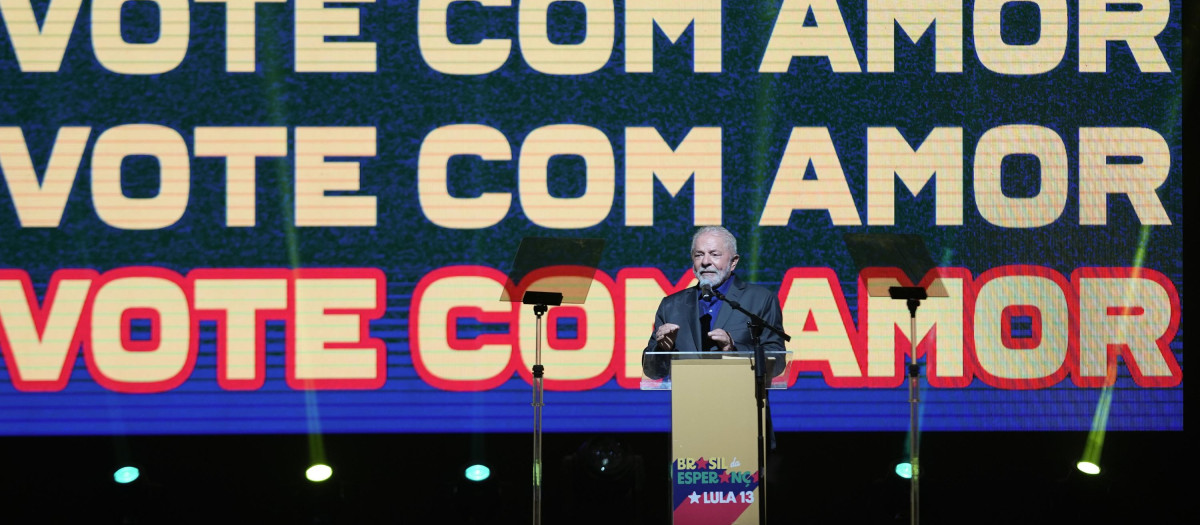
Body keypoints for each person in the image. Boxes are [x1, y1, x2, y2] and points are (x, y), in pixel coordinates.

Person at [641, 226, 786, 379]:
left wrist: (733, 349)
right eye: (699, 255)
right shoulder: (671, 306)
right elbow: (651, 372)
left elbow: (777, 361)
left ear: (733, 262)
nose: (705, 262)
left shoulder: (760, 299)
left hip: (741, 400)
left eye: (714, 254)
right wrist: (662, 349)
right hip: (690, 400)